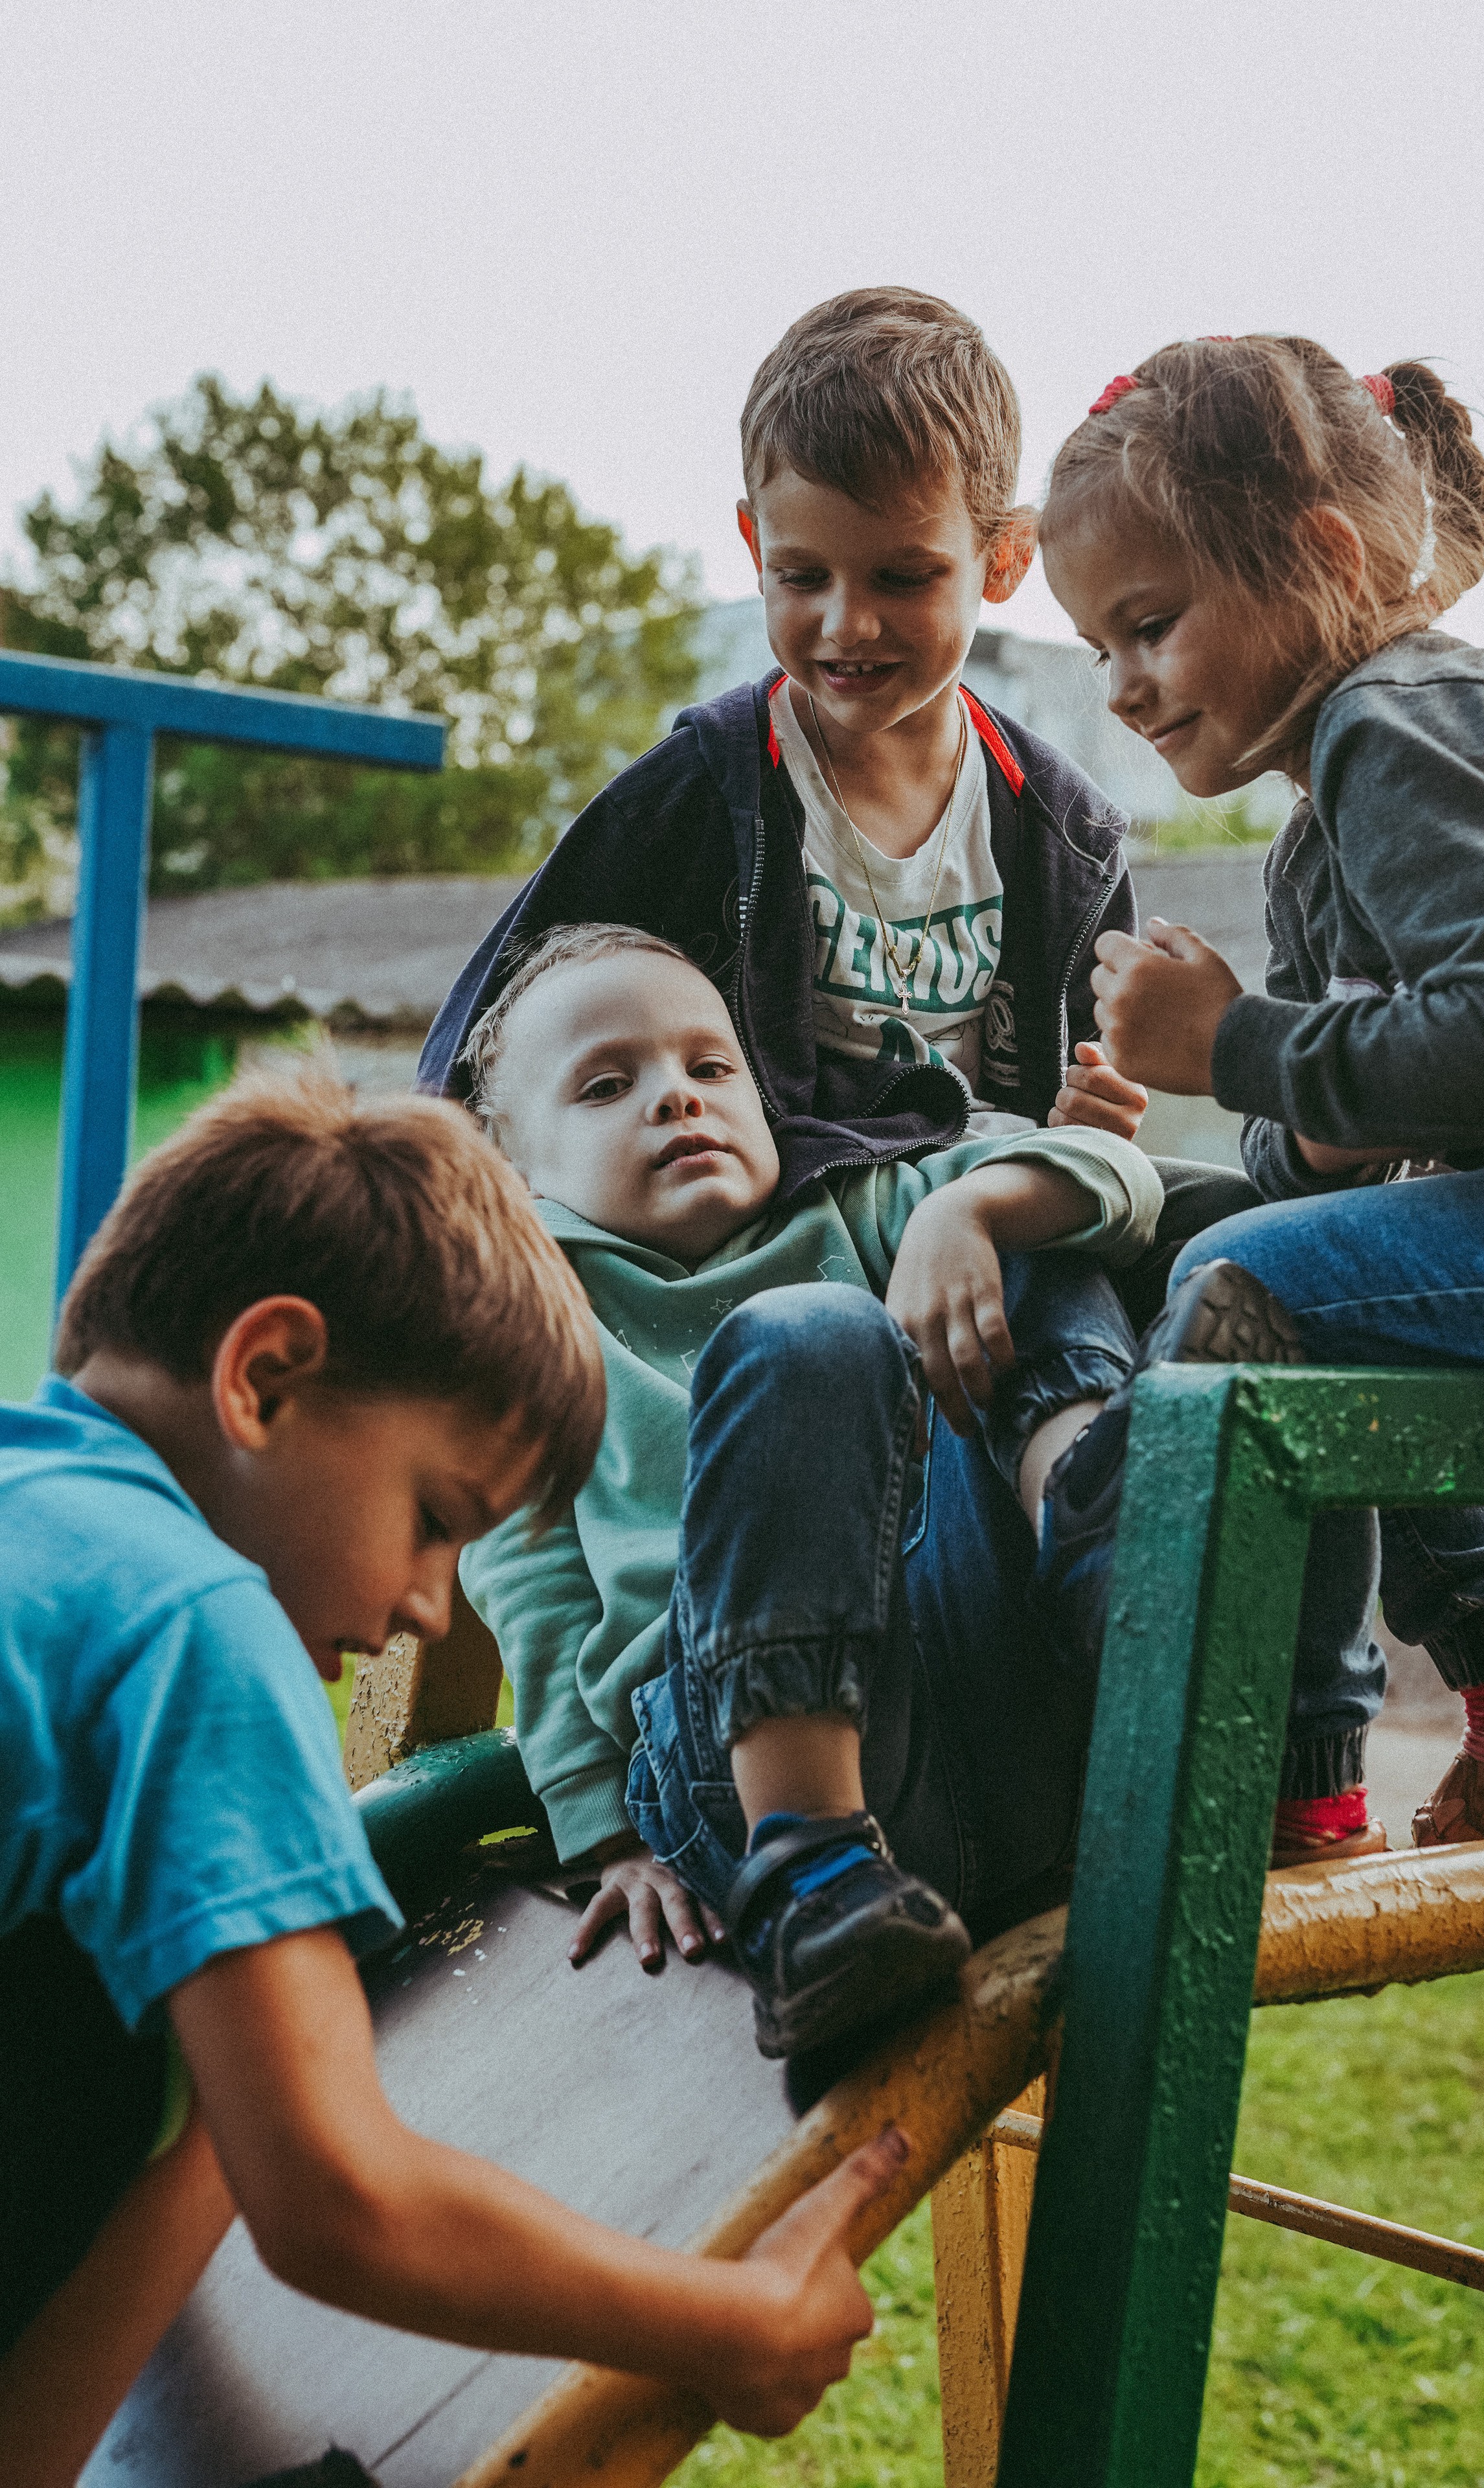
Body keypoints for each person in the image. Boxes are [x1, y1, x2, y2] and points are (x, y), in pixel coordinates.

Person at [0, 1073, 915, 2488]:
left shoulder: (35, 1528)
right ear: (265, 1377)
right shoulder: (186, 1620)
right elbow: (336, 2199)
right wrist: (727, 2323)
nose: (434, 1607)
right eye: (436, 1520)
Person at [455, 922, 1294, 2060]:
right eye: (609, 1085)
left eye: (712, 1069)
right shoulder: (540, 1315)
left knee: (1016, 1239)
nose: (677, 1098)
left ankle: (1105, 1534)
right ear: (515, 1168)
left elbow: (1121, 1183)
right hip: (734, 1778)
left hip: (991, 1699)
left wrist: (964, 1216)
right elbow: (532, 1581)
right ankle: (814, 1868)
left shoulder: (853, 1203)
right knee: (810, 1333)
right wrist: (603, 1834)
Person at [1036, 333, 1484, 1856]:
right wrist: (1292, 1107)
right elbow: (1340, 1156)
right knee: (1256, 1240)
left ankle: (1287, 1778)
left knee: (1246, 1282)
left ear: (1315, 556)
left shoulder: (1404, 720)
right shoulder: (1323, 825)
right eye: (1097, 645)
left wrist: (1236, 1045)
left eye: (1149, 624)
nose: (1119, 687)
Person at [417, 286, 1253, 1320]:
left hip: (978, 1205)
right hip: (796, 1226)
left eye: (903, 577)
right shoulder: (704, 792)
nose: (847, 625)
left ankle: (1182, 1414)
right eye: (802, 575)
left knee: (1230, 1216)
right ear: (751, 542)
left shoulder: (1061, 835)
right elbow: (483, 1042)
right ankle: (1079, 1465)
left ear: (1003, 559)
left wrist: (1083, 1114)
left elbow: (1062, 1114)